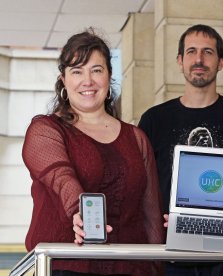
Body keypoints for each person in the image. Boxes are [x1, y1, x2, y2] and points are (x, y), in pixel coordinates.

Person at [22, 28, 164, 275]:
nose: (87, 81)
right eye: (77, 71)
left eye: (96, 70)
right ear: (63, 80)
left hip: (131, 269)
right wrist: (82, 214)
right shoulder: (45, 129)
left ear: (109, 75)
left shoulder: (136, 138)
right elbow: (62, 178)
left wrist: (157, 264)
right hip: (66, 267)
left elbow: (150, 214)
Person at [138, 24, 223, 276]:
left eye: (208, 52)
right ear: (180, 60)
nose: (199, 59)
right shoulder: (154, 119)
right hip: (168, 253)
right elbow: (142, 185)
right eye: (191, 51)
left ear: (221, 62)